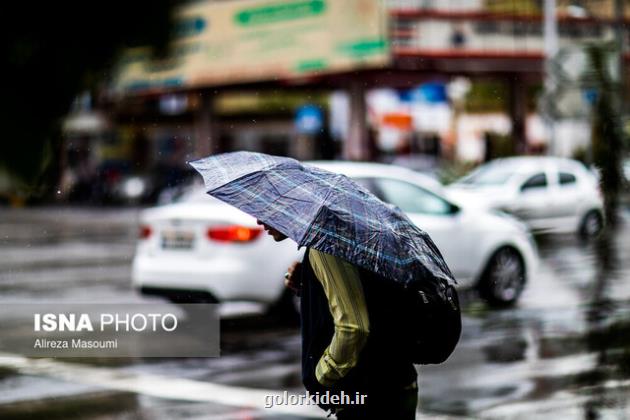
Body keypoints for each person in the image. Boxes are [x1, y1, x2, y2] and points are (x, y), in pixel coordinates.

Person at [257, 220, 418, 419]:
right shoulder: (351, 231)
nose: (258, 220)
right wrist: (309, 283)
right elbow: (368, 296)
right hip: (394, 380)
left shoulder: (325, 246)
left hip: (369, 393)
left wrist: (323, 376)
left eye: (266, 211)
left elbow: (354, 327)